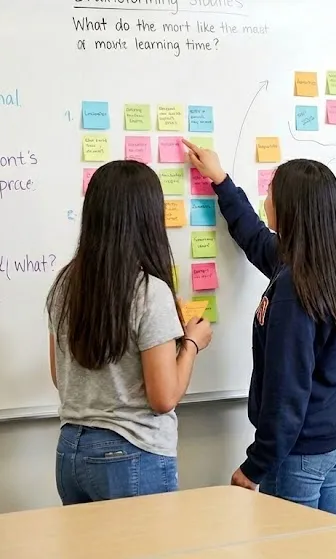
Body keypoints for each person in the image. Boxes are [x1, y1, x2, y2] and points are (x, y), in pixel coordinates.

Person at [184, 139, 336, 514]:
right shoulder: (328, 261)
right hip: (334, 435)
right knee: (326, 549)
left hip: (299, 452)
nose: (267, 200)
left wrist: (255, 467)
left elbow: (287, 392)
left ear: (292, 208)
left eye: (271, 192)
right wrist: (220, 181)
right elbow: (255, 237)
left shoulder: (294, 291)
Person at [47, 160, 213, 504]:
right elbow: (163, 398)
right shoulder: (149, 291)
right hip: (132, 452)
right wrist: (192, 345)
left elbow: (58, 376)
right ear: (148, 219)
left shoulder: (65, 284)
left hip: (71, 453)